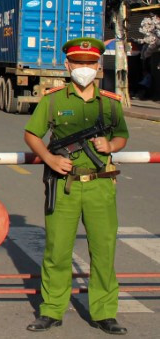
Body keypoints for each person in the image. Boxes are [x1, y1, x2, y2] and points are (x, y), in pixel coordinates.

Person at [24, 37, 129, 335]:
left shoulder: (110, 103)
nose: (84, 68)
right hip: (64, 184)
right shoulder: (54, 100)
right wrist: (48, 159)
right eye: (78, 63)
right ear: (67, 65)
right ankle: (52, 310)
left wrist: (111, 144)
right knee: (57, 250)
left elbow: (122, 135)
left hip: (100, 185)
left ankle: (104, 312)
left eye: (90, 64)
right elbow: (32, 134)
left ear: (98, 67)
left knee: (104, 250)